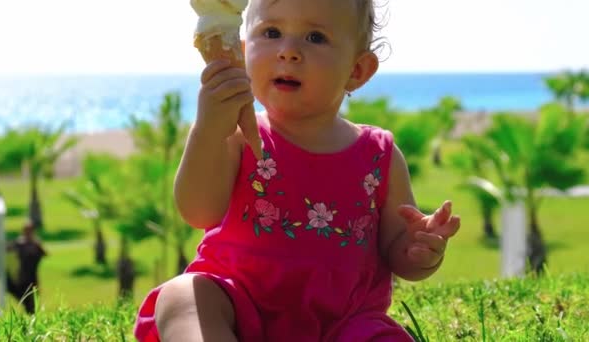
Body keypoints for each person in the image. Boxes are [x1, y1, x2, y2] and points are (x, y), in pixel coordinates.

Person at [135, 0, 461, 340]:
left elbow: (399, 252)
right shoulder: (234, 136)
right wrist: (208, 130)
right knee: (184, 296)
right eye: (272, 33)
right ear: (244, 52)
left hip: (343, 325)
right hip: (240, 311)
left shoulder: (379, 156)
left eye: (315, 37)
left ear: (357, 70)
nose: (288, 51)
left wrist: (420, 249)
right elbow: (198, 211)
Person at [6, 221, 47, 314]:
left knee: (32, 303)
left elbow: (44, 254)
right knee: (25, 300)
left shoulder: (35, 244)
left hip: (32, 277)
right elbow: (7, 248)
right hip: (22, 277)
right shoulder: (20, 243)